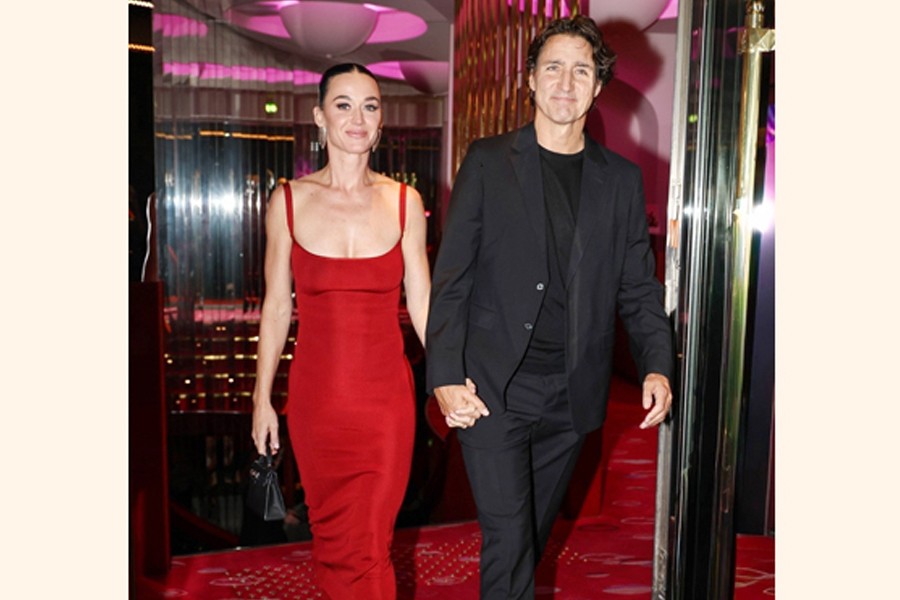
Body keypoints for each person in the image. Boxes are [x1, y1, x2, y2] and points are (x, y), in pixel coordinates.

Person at [425, 15, 674, 600]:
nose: (566, 82)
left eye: (581, 71)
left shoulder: (621, 180)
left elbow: (637, 287)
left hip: (571, 392)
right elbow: (453, 277)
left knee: (527, 540)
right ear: (531, 80)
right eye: (553, 68)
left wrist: (657, 364)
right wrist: (444, 375)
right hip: (491, 387)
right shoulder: (488, 161)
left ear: (598, 85)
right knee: (511, 540)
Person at [251, 63, 431, 599]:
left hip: (385, 407)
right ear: (319, 116)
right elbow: (276, 307)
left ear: (381, 122)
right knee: (332, 545)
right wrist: (262, 400)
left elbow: (423, 302)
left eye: (370, 106)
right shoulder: (288, 201)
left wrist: (450, 379)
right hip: (318, 404)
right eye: (344, 105)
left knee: (371, 545)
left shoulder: (404, 202)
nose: (358, 118)